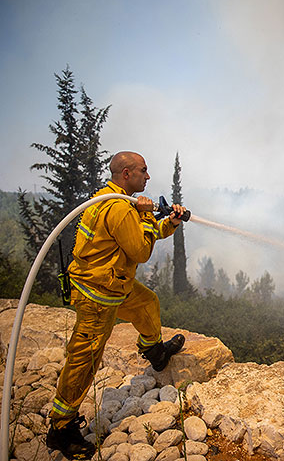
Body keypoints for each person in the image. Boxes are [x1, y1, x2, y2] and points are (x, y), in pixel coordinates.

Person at [46, 151, 187, 459]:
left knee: (147, 303)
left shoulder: (114, 199)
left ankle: (155, 352)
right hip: (98, 295)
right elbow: (140, 251)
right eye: (143, 171)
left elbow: (137, 237)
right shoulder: (119, 208)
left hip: (114, 283)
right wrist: (149, 215)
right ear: (126, 174)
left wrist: (170, 222)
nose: (147, 177)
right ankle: (61, 428)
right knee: (85, 359)